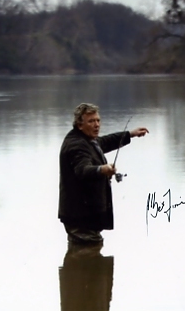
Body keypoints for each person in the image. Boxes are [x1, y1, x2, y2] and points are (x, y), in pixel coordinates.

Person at [58, 103, 149, 246]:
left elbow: (104, 142)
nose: (96, 125)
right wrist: (102, 169)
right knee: (89, 251)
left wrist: (130, 134)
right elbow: (82, 170)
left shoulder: (87, 140)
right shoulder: (77, 145)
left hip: (83, 215)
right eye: (91, 121)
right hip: (80, 217)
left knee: (83, 256)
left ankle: (71, 268)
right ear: (79, 125)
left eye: (98, 120)